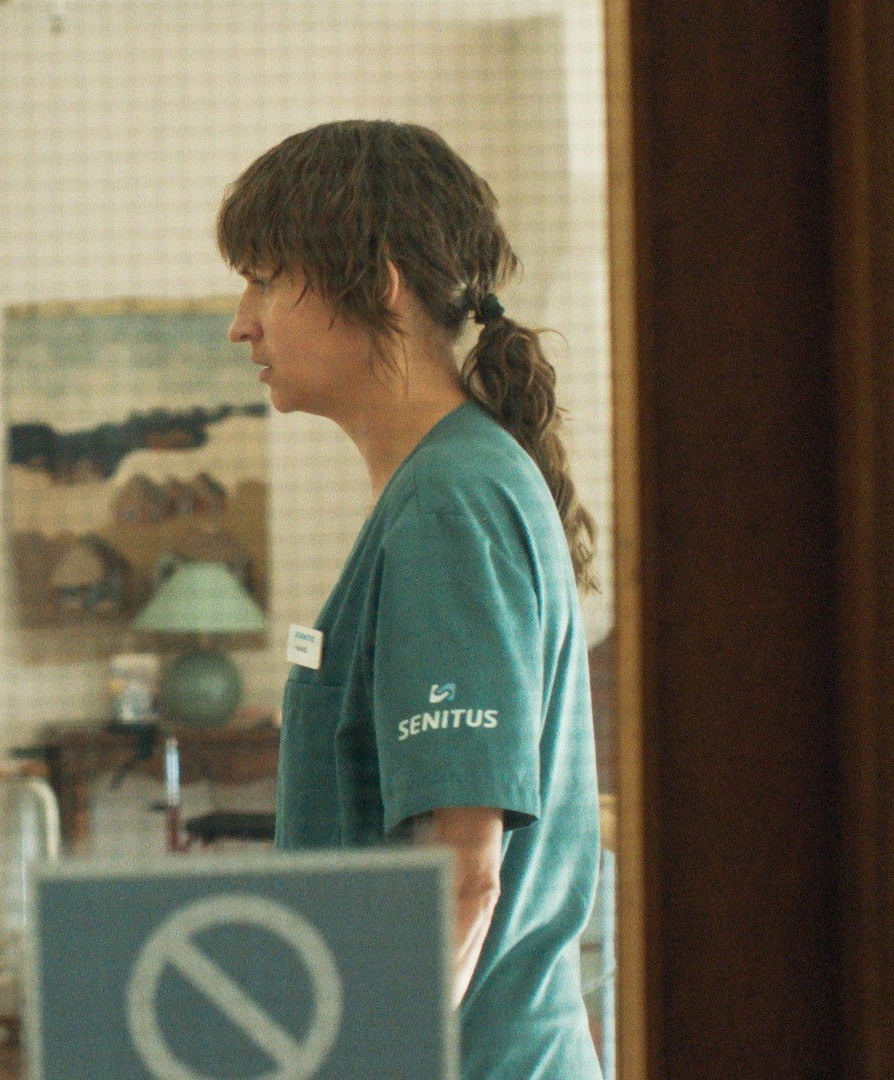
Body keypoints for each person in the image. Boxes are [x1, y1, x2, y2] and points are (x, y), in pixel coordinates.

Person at [219, 120, 603, 1079]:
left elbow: (462, 882)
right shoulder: (449, 485)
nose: (241, 322)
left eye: (264, 279)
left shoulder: (449, 505)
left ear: (378, 283)